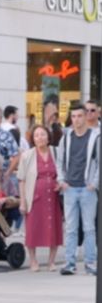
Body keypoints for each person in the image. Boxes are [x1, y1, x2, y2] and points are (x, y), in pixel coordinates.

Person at [57, 103, 100, 276]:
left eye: (79, 116)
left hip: (87, 189)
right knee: (71, 228)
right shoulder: (66, 138)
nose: (76, 120)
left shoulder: (95, 137)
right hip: (70, 188)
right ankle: (69, 263)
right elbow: (59, 162)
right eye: (73, 116)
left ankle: (90, 263)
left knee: (89, 228)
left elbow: (99, 164)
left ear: (85, 117)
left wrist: (94, 184)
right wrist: (62, 181)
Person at [18, 125, 62, 272]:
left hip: (54, 196)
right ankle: (33, 261)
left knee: (53, 227)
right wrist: (23, 201)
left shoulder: (56, 152)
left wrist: (61, 183)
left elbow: (63, 171)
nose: (40, 138)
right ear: (33, 139)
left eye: (43, 135)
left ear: (48, 137)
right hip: (35, 196)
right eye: (37, 135)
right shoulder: (27, 156)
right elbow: (22, 180)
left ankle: (51, 261)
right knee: (33, 228)